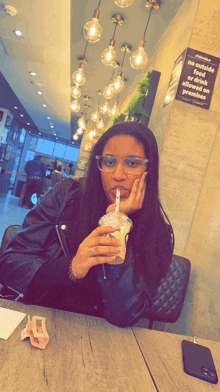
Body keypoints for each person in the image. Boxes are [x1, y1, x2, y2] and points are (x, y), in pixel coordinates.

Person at [0, 122, 174, 327]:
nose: (118, 175)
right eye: (109, 162)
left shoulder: (158, 231)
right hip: (41, 319)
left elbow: (127, 315)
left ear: (149, 168)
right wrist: (72, 267)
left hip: (104, 337)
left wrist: (118, 224)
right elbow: (10, 264)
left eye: (132, 163)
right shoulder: (65, 195)